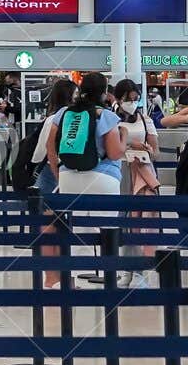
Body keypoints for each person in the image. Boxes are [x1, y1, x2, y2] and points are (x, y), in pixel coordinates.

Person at [43, 72, 125, 286]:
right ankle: (107, 274)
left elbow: (50, 148)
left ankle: (67, 278)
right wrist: (124, 137)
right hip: (103, 177)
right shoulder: (106, 116)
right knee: (106, 228)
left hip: (69, 176)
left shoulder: (64, 113)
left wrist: (58, 174)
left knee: (71, 228)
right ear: (104, 92)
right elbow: (115, 153)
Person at [112, 78, 161, 287]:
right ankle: (126, 268)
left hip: (141, 169)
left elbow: (156, 151)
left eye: (135, 99)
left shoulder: (145, 119)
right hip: (120, 170)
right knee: (123, 221)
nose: (132, 103)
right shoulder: (111, 119)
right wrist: (130, 143)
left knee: (140, 222)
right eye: (128, 99)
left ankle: (139, 269)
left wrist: (146, 149)